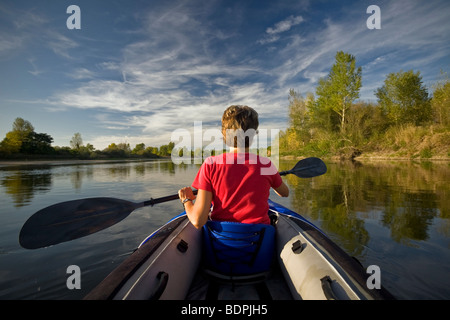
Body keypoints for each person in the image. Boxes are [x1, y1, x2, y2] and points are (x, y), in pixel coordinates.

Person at [178, 105, 289, 229]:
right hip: (260, 242)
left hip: (220, 243)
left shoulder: (210, 164)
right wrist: (273, 177)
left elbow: (198, 221)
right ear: (253, 135)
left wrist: (186, 200)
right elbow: (284, 193)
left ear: (224, 134)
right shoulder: (266, 164)